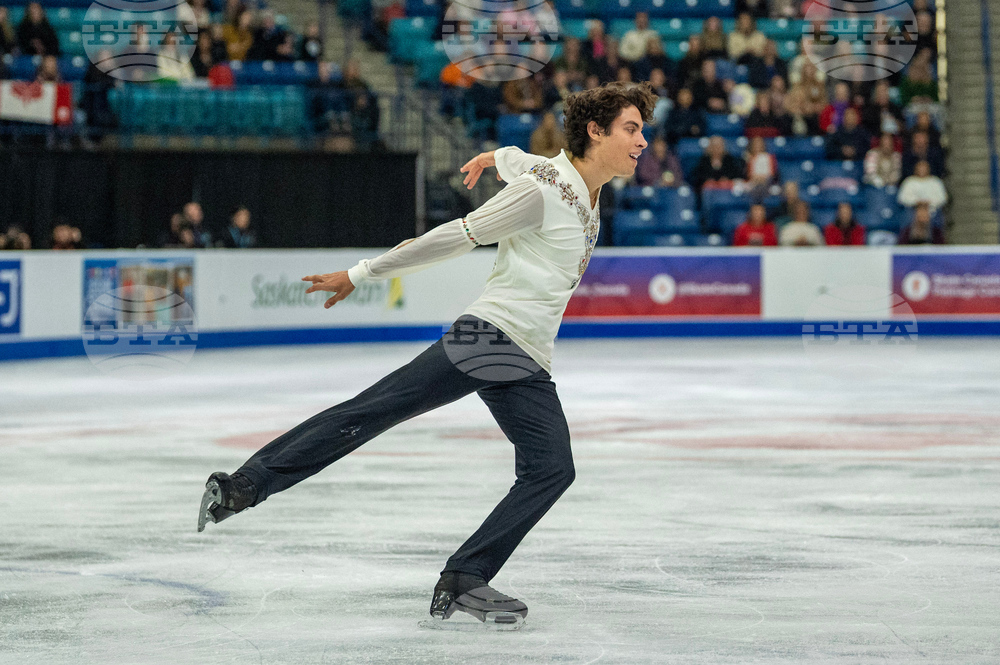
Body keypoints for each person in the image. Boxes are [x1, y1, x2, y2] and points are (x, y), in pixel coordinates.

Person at [197, 81, 657, 628]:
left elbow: (528, 161)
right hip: (491, 335)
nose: (643, 141)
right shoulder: (541, 191)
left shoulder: (578, 183)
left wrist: (498, 156)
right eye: (632, 129)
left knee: (552, 468)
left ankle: (465, 576)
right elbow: (457, 236)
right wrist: (360, 272)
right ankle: (245, 485)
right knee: (374, 411)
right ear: (596, 131)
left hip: (527, 354)